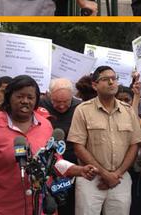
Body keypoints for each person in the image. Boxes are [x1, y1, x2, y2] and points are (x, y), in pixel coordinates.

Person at [0, 75, 96, 215]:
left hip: (41, 208)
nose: (25, 101)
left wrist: (79, 170)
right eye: (20, 96)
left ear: (37, 100)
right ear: (9, 97)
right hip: (1, 209)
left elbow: (54, 161)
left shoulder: (45, 125)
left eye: (30, 97)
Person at [67, 66, 141, 215]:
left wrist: (116, 174)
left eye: (114, 78)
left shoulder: (128, 111)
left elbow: (134, 144)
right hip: (90, 178)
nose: (111, 82)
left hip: (120, 179)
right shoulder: (83, 110)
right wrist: (104, 174)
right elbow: (78, 146)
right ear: (94, 85)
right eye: (105, 79)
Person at [39, 78, 82, 215]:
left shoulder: (80, 107)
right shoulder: (40, 104)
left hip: (72, 164)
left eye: (66, 102)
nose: (62, 106)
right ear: (49, 95)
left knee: (68, 205)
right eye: (57, 102)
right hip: (46, 166)